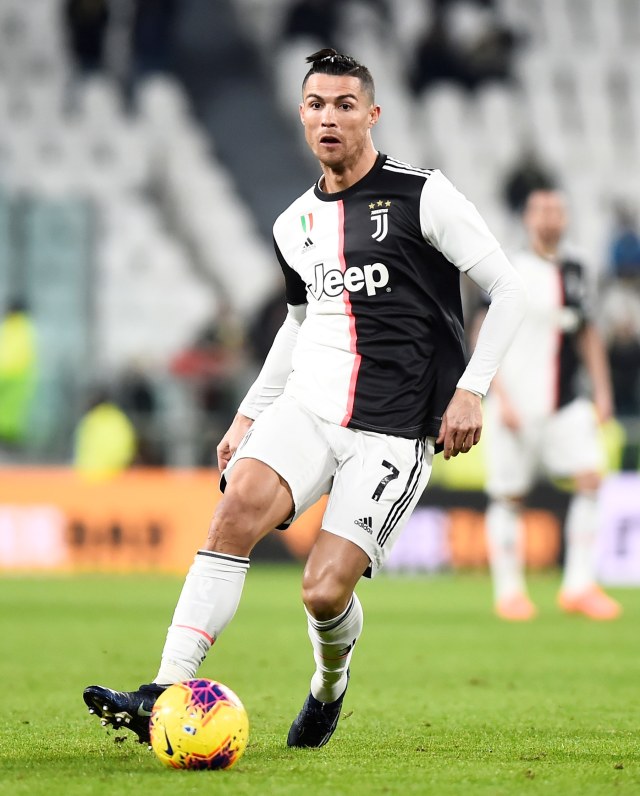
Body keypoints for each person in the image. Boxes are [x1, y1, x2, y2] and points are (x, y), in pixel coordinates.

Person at [83, 48, 526, 748]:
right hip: (310, 409)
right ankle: (164, 689)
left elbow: (510, 289)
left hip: (391, 431)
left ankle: (329, 684)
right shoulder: (294, 225)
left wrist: (471, 391)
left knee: (322, 593)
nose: (330, 117)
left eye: (345, 105)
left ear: (372, 114)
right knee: (230, 517)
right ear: (301, 115)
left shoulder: (421, 194)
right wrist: (250, 412)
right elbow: (299, 324)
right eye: (317, 104)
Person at [480, 189, 621, 622]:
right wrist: (496, 393)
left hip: (564, 401)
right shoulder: (508, 268)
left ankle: (578, 586)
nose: (550, 218)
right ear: (526, 218)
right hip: (515, 404)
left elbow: (587, 332)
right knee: (509, 496)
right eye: (541, 210)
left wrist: (603, 390)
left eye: (557, 210)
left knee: (590, 479)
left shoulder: (578, 269)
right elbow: (479, 331)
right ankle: (509, 592)